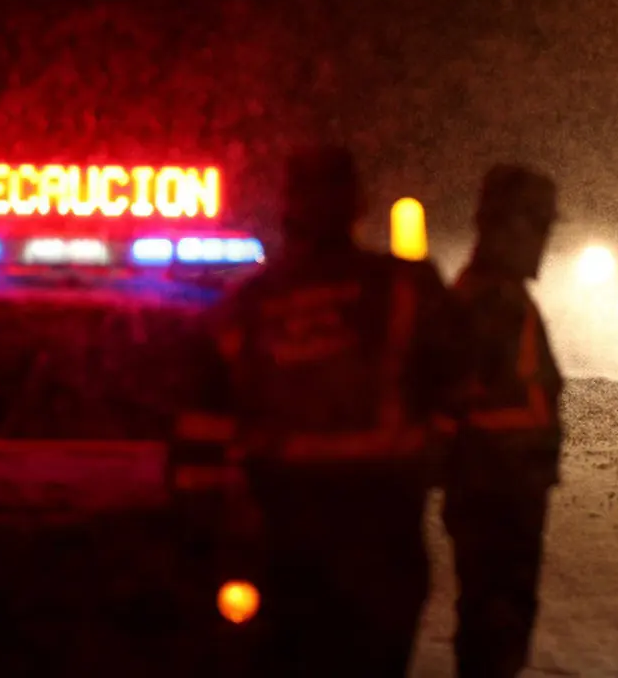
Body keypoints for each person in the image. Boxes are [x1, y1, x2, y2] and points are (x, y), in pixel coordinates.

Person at [174, 145, 463, 676]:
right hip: (381, 529)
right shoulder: (406, 287)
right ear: (358, 203)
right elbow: (455, 388)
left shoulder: (246, 305)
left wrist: (204, 530)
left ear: (287, 206)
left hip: (287, 534)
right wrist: (435, 461)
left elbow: (200, 432)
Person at [444, 164, 565, 678]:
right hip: (496, 491)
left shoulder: (500, 296)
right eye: (538, 226)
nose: (542, 243)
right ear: (508, 226)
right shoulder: (488, 301)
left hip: (504, 488)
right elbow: (462, 404)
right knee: (495, 623)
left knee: (499, 618)